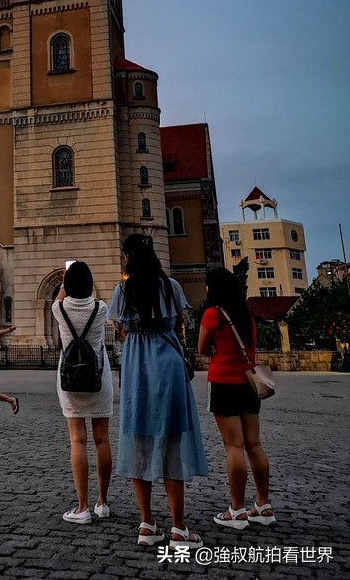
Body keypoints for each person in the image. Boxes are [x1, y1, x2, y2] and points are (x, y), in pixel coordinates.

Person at [108, 234, 207, 548]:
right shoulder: (172, 286)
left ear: (128, 258)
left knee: (139, 441)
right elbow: (180, 324)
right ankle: (179, 527)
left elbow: (120, 330)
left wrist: (135, 329)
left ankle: (147, 523)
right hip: (168, 366)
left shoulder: (122, 290)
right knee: (173, 442)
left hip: (137, 366)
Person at [198, 267, 276, 529]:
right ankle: (263, 505)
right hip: (249, 384)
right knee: (254, 444)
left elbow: (201, 348)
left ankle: (237, 509)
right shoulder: (246, 314)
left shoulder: (213, 314)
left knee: (234, 446)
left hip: (223, 383)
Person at [52, 261, 112, 525]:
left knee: (77, 440)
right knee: (102, 440)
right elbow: (92, 300)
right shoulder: (101, 309)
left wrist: (64, 282)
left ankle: (82, 507)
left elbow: (59, 297)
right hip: (99, 378)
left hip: (71, 379)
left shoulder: (58, 308)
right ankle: (102, 502)